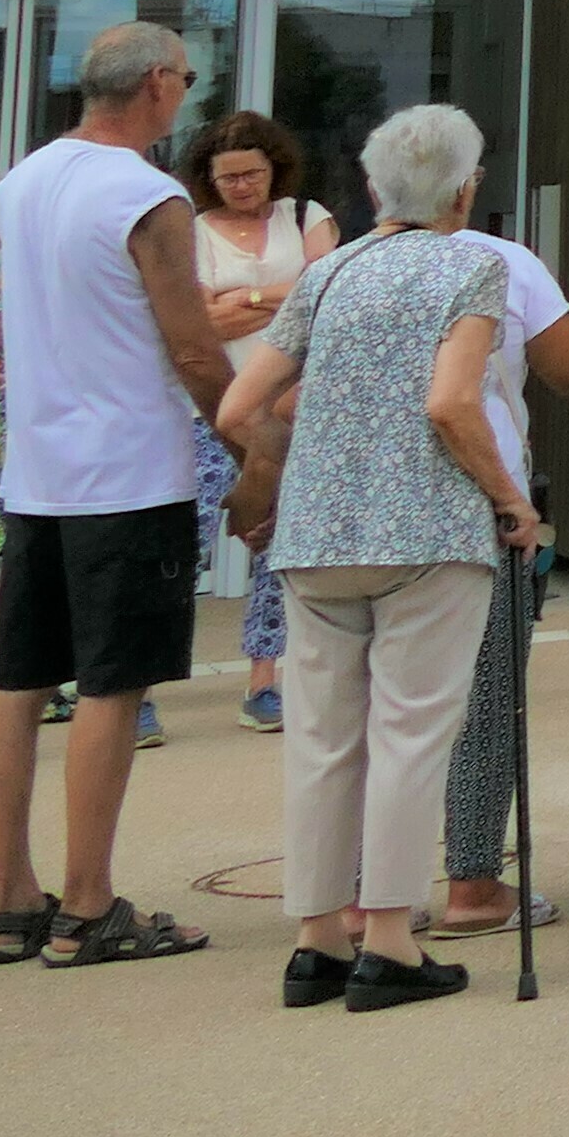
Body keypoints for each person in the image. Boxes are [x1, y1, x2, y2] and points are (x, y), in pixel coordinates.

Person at [0, 18, 233, 970]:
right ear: (161, 84)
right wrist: (252, 446)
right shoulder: (149, 192)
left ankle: (12, 901)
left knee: (19, 683)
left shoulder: (31, 175)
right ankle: (88, 907)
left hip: (38, 476)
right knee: (113, 687)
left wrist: (20, 338)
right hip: (126, 472)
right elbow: (197, 346)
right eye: (187, 79)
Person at [217, 102, 535, 1015]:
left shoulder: (331, 271)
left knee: (322, 737)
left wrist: (290, 468)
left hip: (317, 538)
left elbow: (243, 409)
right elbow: (451, 404)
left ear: (371, 188)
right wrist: (510, 503)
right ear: (467, 189)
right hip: (428, 536)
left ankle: (317, 936)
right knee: (410, 733)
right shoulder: (470, 267)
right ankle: (390, 941)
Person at [420, 186, 569, 941]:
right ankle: (473, 885)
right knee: (483, 704)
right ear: (463, 189)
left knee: (373, 714)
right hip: (478, 508)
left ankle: (358, 897)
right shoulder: (499, 263)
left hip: (364, 523)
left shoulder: (340, 269)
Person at [180, 111, 334, 733]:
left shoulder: (306, 217)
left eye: (253, 173)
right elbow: (197, 323)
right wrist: (281, 296)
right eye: (228, 178)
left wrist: (239, 298)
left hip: (291, 410)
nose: (242, 187)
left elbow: (325, 291)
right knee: (181, 542)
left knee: (278, 542)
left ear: (276, 169)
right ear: (208, 179)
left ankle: (264, 681)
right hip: (209, 411)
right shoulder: (189, 230)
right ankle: (136, 689)